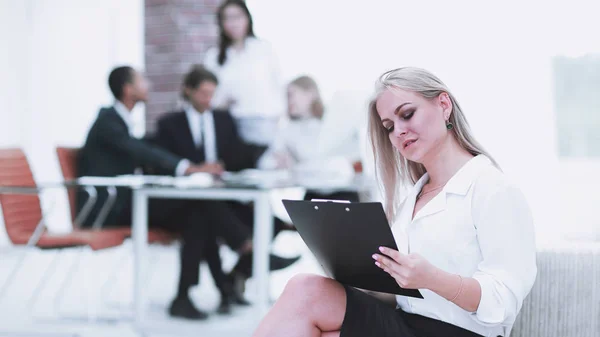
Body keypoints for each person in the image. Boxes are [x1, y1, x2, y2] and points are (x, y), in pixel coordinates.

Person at [252, 67, 537, 337]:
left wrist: (431, 278)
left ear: (444, 105)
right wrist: (355, 270)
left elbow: (503, 304)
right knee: (306, 294)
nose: (398, 131)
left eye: (407, 114)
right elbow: (409, 297)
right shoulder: (413, 197)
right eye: (389, 126)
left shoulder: (492, 189)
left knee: (306, 292)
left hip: (461, 332)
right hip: (409, 324)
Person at [154, 65, 299, 313]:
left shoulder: (223, 120)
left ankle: (227, 281)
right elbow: (165, 163)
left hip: (220, 200)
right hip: (183, 202)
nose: (208, 99)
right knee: (200, 213)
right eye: (202, 93)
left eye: (212, 93)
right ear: (188, 91)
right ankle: (248, 253)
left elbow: (239, 154)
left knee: (265, 221)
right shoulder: (169, 125)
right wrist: (198, 169)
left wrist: (225, 164)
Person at [258, 75, 361, 202]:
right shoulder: (288, 129)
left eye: (291, 94)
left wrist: (296, 168)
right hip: (312, 197)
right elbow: (264, 163)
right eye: (286, 96)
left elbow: (339, 165)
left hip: (343, 194)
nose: (288, 101)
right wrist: (281, 163)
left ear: (310, 93)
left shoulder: (334, 121)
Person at [203, 0, 285, 146]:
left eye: (237, 17)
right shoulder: (213, 57)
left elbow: (278, 85)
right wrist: (222, 103)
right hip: (229, 124)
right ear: (221, 24)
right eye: (227, 18)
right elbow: (209, 94)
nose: (233, 23)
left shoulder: (263, 49)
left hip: (263, 123)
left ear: (247, 18)